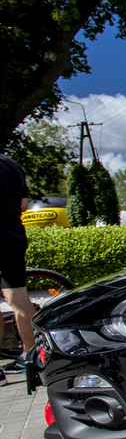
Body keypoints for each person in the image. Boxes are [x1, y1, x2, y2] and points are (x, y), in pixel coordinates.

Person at [0, 154, 36, 384]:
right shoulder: (13, 165)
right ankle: (32, 357)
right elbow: (23, 205)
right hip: (11, 239)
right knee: (19, 299)